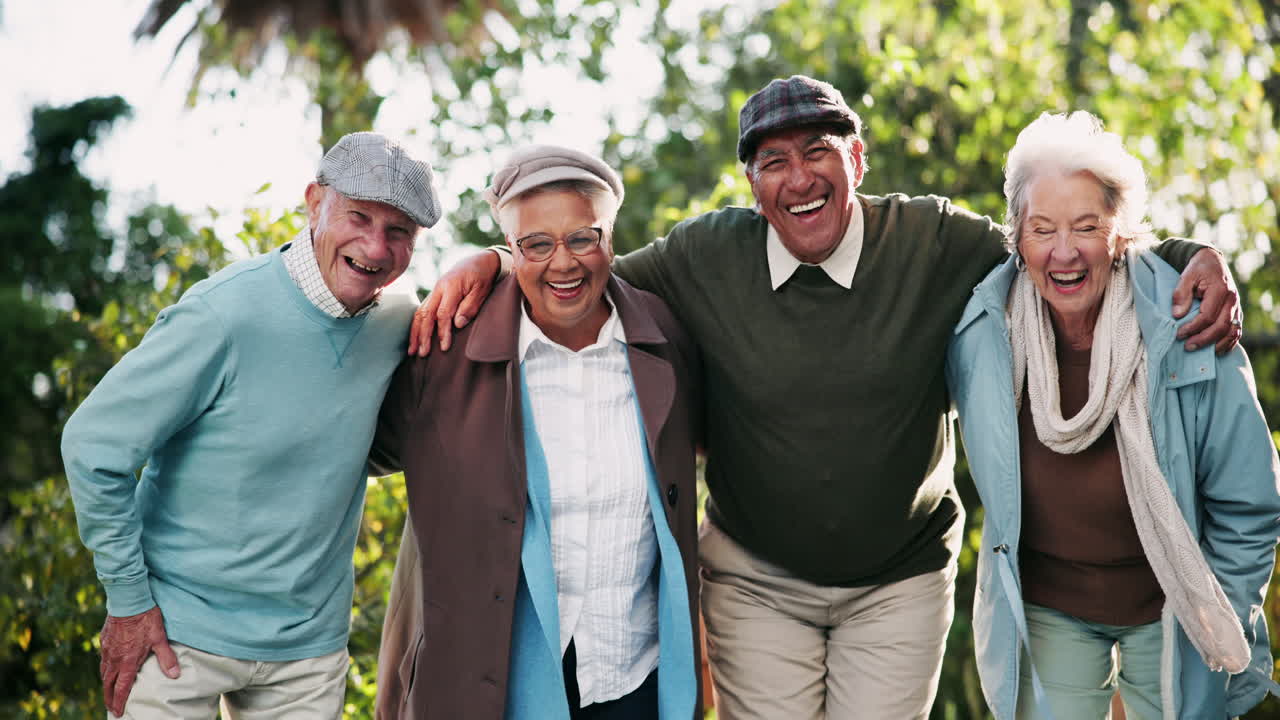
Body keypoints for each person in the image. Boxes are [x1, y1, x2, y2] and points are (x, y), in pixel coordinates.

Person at [402, 76, 1243, 719]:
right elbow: (578, 272)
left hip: (900, 579)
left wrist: (1190, 255)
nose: (799, 178)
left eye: (818, 153)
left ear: (857, 162)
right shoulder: (704, 257)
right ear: (751, 183)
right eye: (774, 162)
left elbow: (1058, 240)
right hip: (757, 580)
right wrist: (490, 260)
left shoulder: (933, 241)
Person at [61, 131, 440, 719]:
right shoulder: (223, 314)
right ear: (314, 203)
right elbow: (93, 447)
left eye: (399, 231)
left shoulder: (397, 318)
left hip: (308, 651)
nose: (375, 246)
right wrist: (129, 601)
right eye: (359, 217)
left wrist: (496, 257)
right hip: (175, 635)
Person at [945, 111, 1280, 720]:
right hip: (1049, 607)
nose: (1064, 251)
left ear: (1121, 234)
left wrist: (1220, 613)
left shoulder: (1188, 322)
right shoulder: (984, 329)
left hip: (1175, 609)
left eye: (1087, 227)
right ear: (1017, 237)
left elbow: (1249, 501)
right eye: (1042, 229)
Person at [370, 146, 702, 720]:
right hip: (495, 688)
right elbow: (360, 452)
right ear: (512, 247)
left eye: (582, 238)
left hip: (633, 676)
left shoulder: (665, 335)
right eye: (537, 244)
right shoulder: (445, 350)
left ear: (610, 240)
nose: (562, 263)